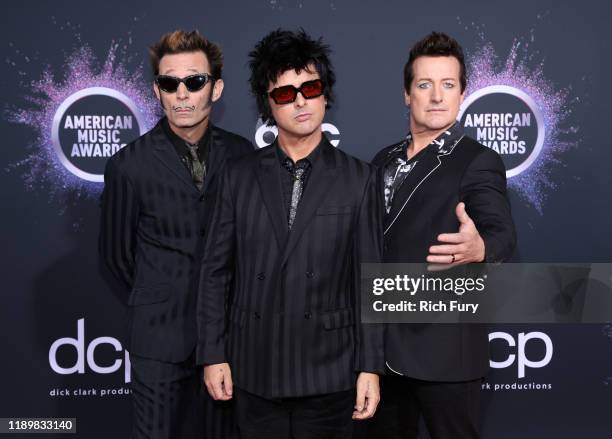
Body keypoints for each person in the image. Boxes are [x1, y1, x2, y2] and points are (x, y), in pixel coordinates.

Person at [196, 29, 384, 439]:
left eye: (310, 87)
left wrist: (370, 366)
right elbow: (215, 272)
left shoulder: (360, 178)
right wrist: (212, 353)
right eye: (284, 93)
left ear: (325, 93)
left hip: (331, 371)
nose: (300, 101)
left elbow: (369, 281)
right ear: (268, 103)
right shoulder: (238, 177)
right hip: (254, 368)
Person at [99, 29, 253, 439]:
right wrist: (160, 298)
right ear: (157, 90)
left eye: (194, 82)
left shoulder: (244, 158)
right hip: (158, 340)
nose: (182, 94)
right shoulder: (127, 166)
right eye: (170, 83)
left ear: (215, 89)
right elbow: (116, 260)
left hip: (229, 341)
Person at [369, 31, 516, 439]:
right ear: (406, 94)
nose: (436, 96)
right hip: (382, 352)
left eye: (448, 85)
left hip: (446, 351)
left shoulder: (478, 161)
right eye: (424, 84)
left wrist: (481, 246)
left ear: (462, 93)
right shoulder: (382, 160)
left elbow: (502, 233)